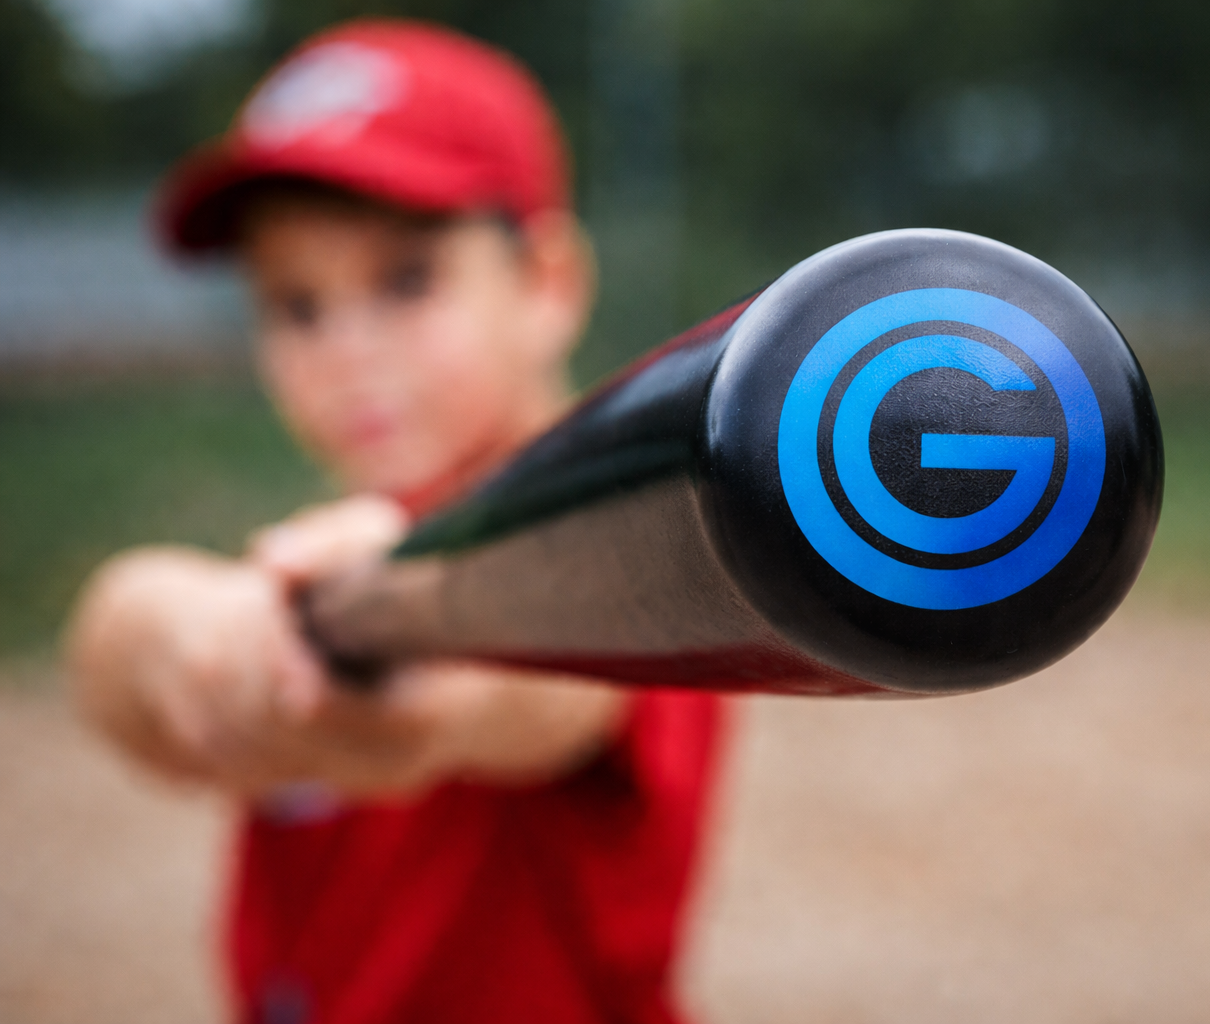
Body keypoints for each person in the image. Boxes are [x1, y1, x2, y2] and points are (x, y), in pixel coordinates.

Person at [64, 18, 726, 1024]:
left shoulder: (633, 537)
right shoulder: (327, 547)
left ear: (546, 284)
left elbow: (564, 683)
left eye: (407, 278)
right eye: (296, 305)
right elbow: (123, 656)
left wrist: (431, 641)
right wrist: (170, 629)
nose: (347, 349)